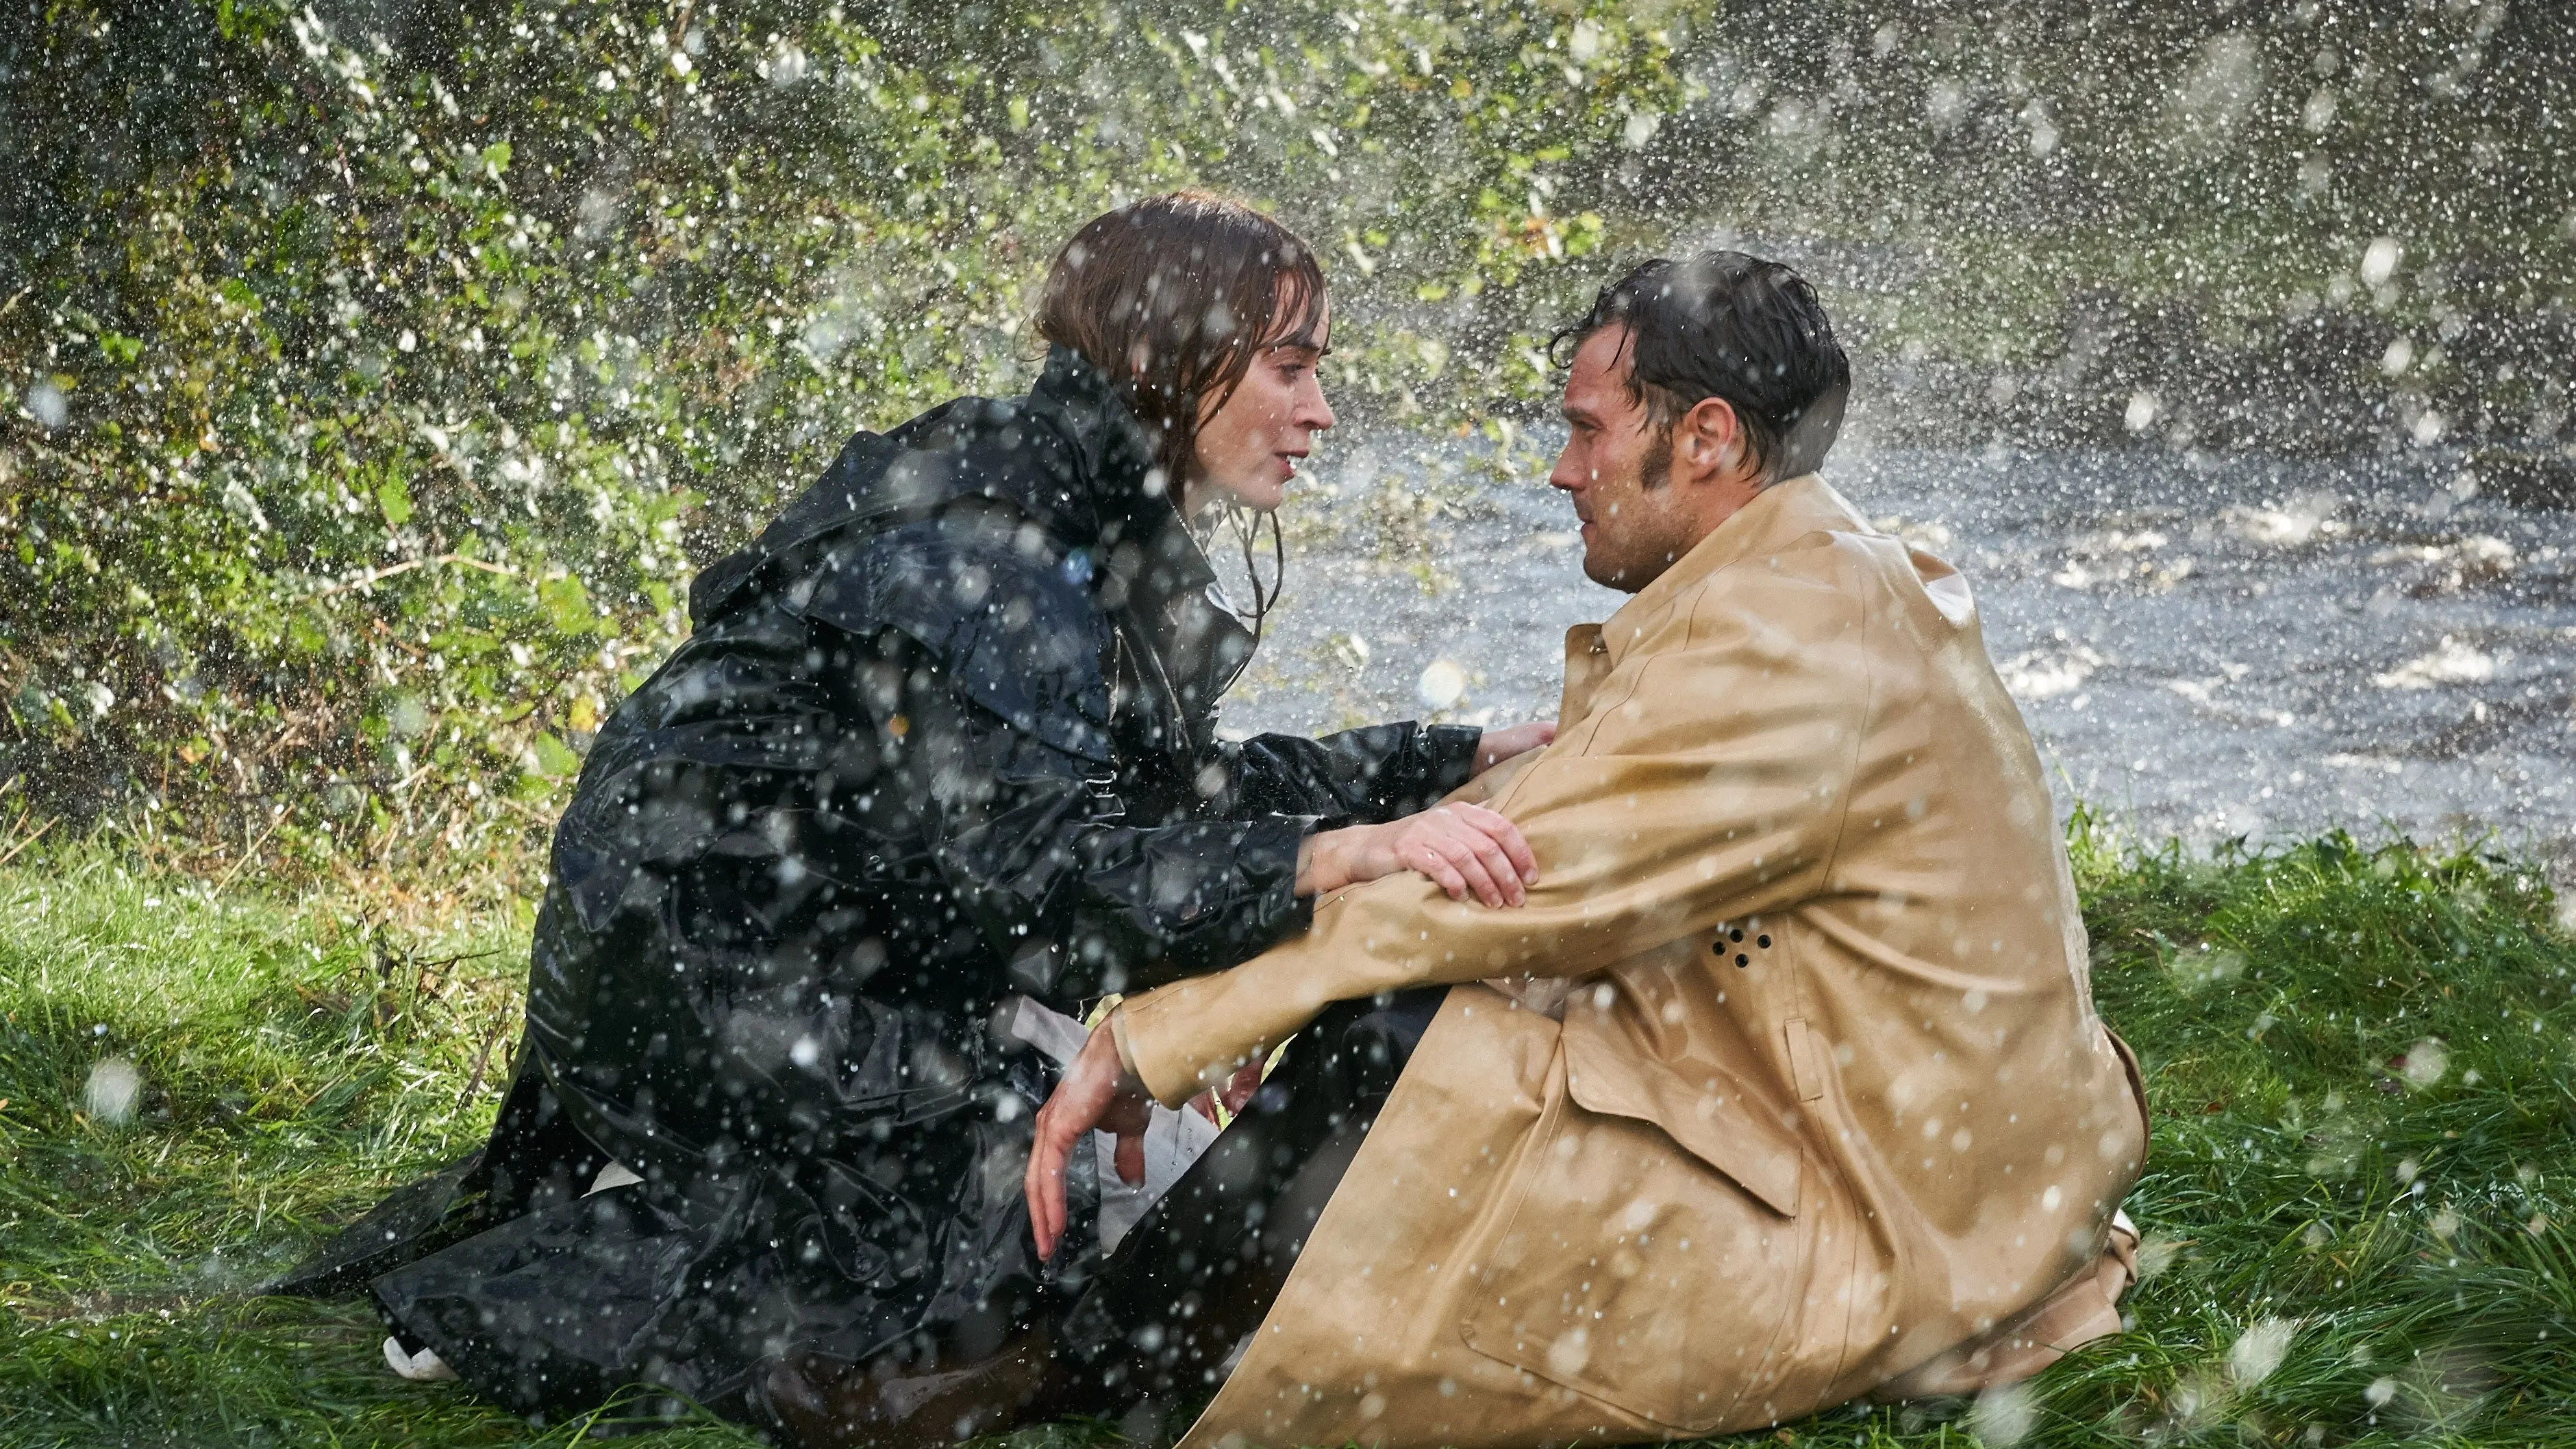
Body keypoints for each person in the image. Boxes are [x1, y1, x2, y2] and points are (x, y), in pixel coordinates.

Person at [275, 192, 1553, 1437]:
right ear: (1172, 353)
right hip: (691, 975)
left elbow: (1164, 798)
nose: (1320, 412)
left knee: (1056, 1204)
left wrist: (1438, 759)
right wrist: (1324, 857)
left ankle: (744, 1180)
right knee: (1016, 1224)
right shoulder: (1001, 543)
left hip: (800, 949)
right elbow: (1030, 883)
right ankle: (577, 1259)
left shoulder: (1073, 499)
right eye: (1289, 368)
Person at [1025, 251, 2151, 1448]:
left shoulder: (1799, 639)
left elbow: (1504, 884)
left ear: (1708, 436)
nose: (1564, 471)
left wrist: (1158, 1036)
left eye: (1587, 432)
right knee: (1425, 988)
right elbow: (1552, 824)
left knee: (1409, 1032)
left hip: (1907, 1225)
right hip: (1949, 1174)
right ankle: (1138, 1334)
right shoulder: (1810, 581)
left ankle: (1091, 1365)